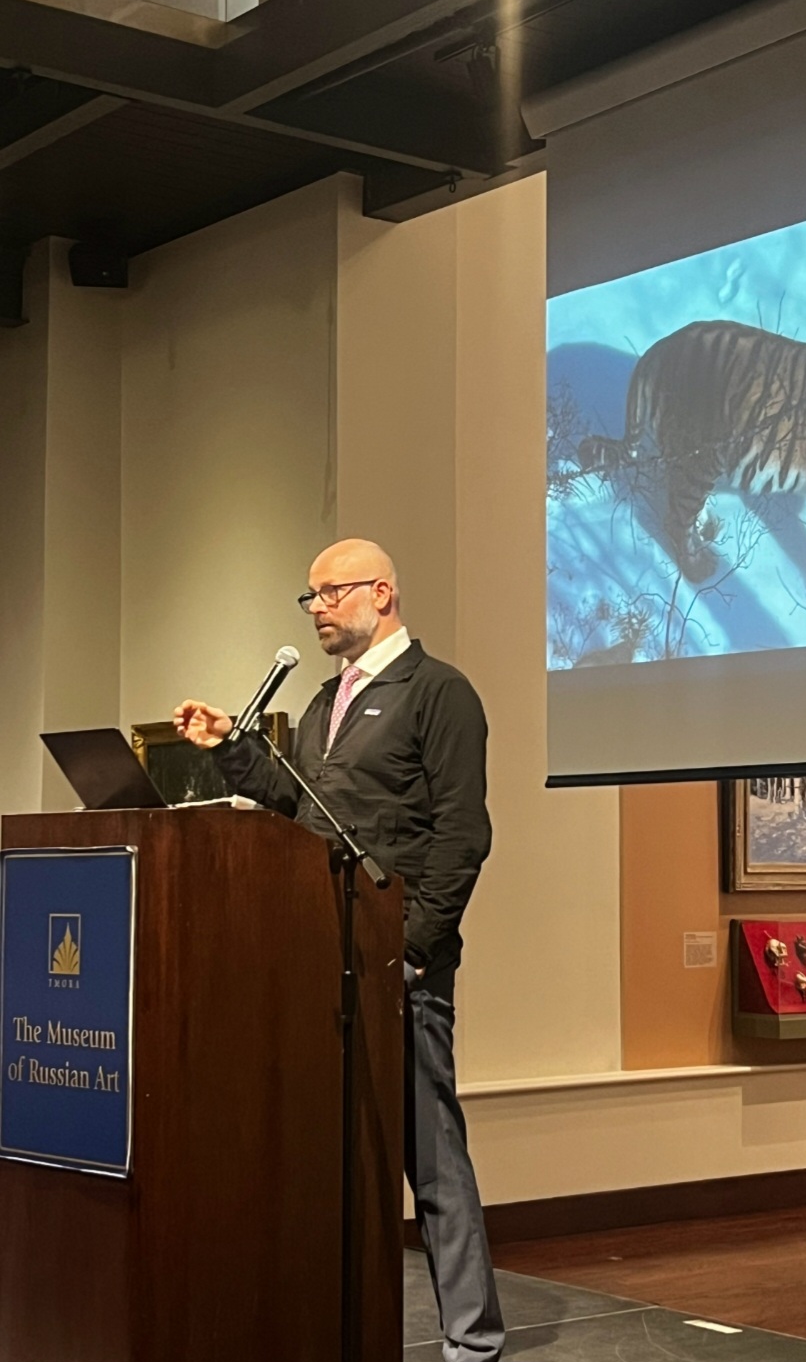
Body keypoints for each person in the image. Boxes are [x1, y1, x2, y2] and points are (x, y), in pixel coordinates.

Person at [173, 537, 505, 1362]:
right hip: (322, 960)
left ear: (381, 593)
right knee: (327, 1155)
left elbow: (464, 833)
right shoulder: (328, 701)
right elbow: (301, 807)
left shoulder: (439, 692)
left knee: (431, 1155)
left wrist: (415, 948)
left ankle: (473, 1339)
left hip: (403, 969)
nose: (316, 609)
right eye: (310, 597)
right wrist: (230, 747)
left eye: (329, 593)